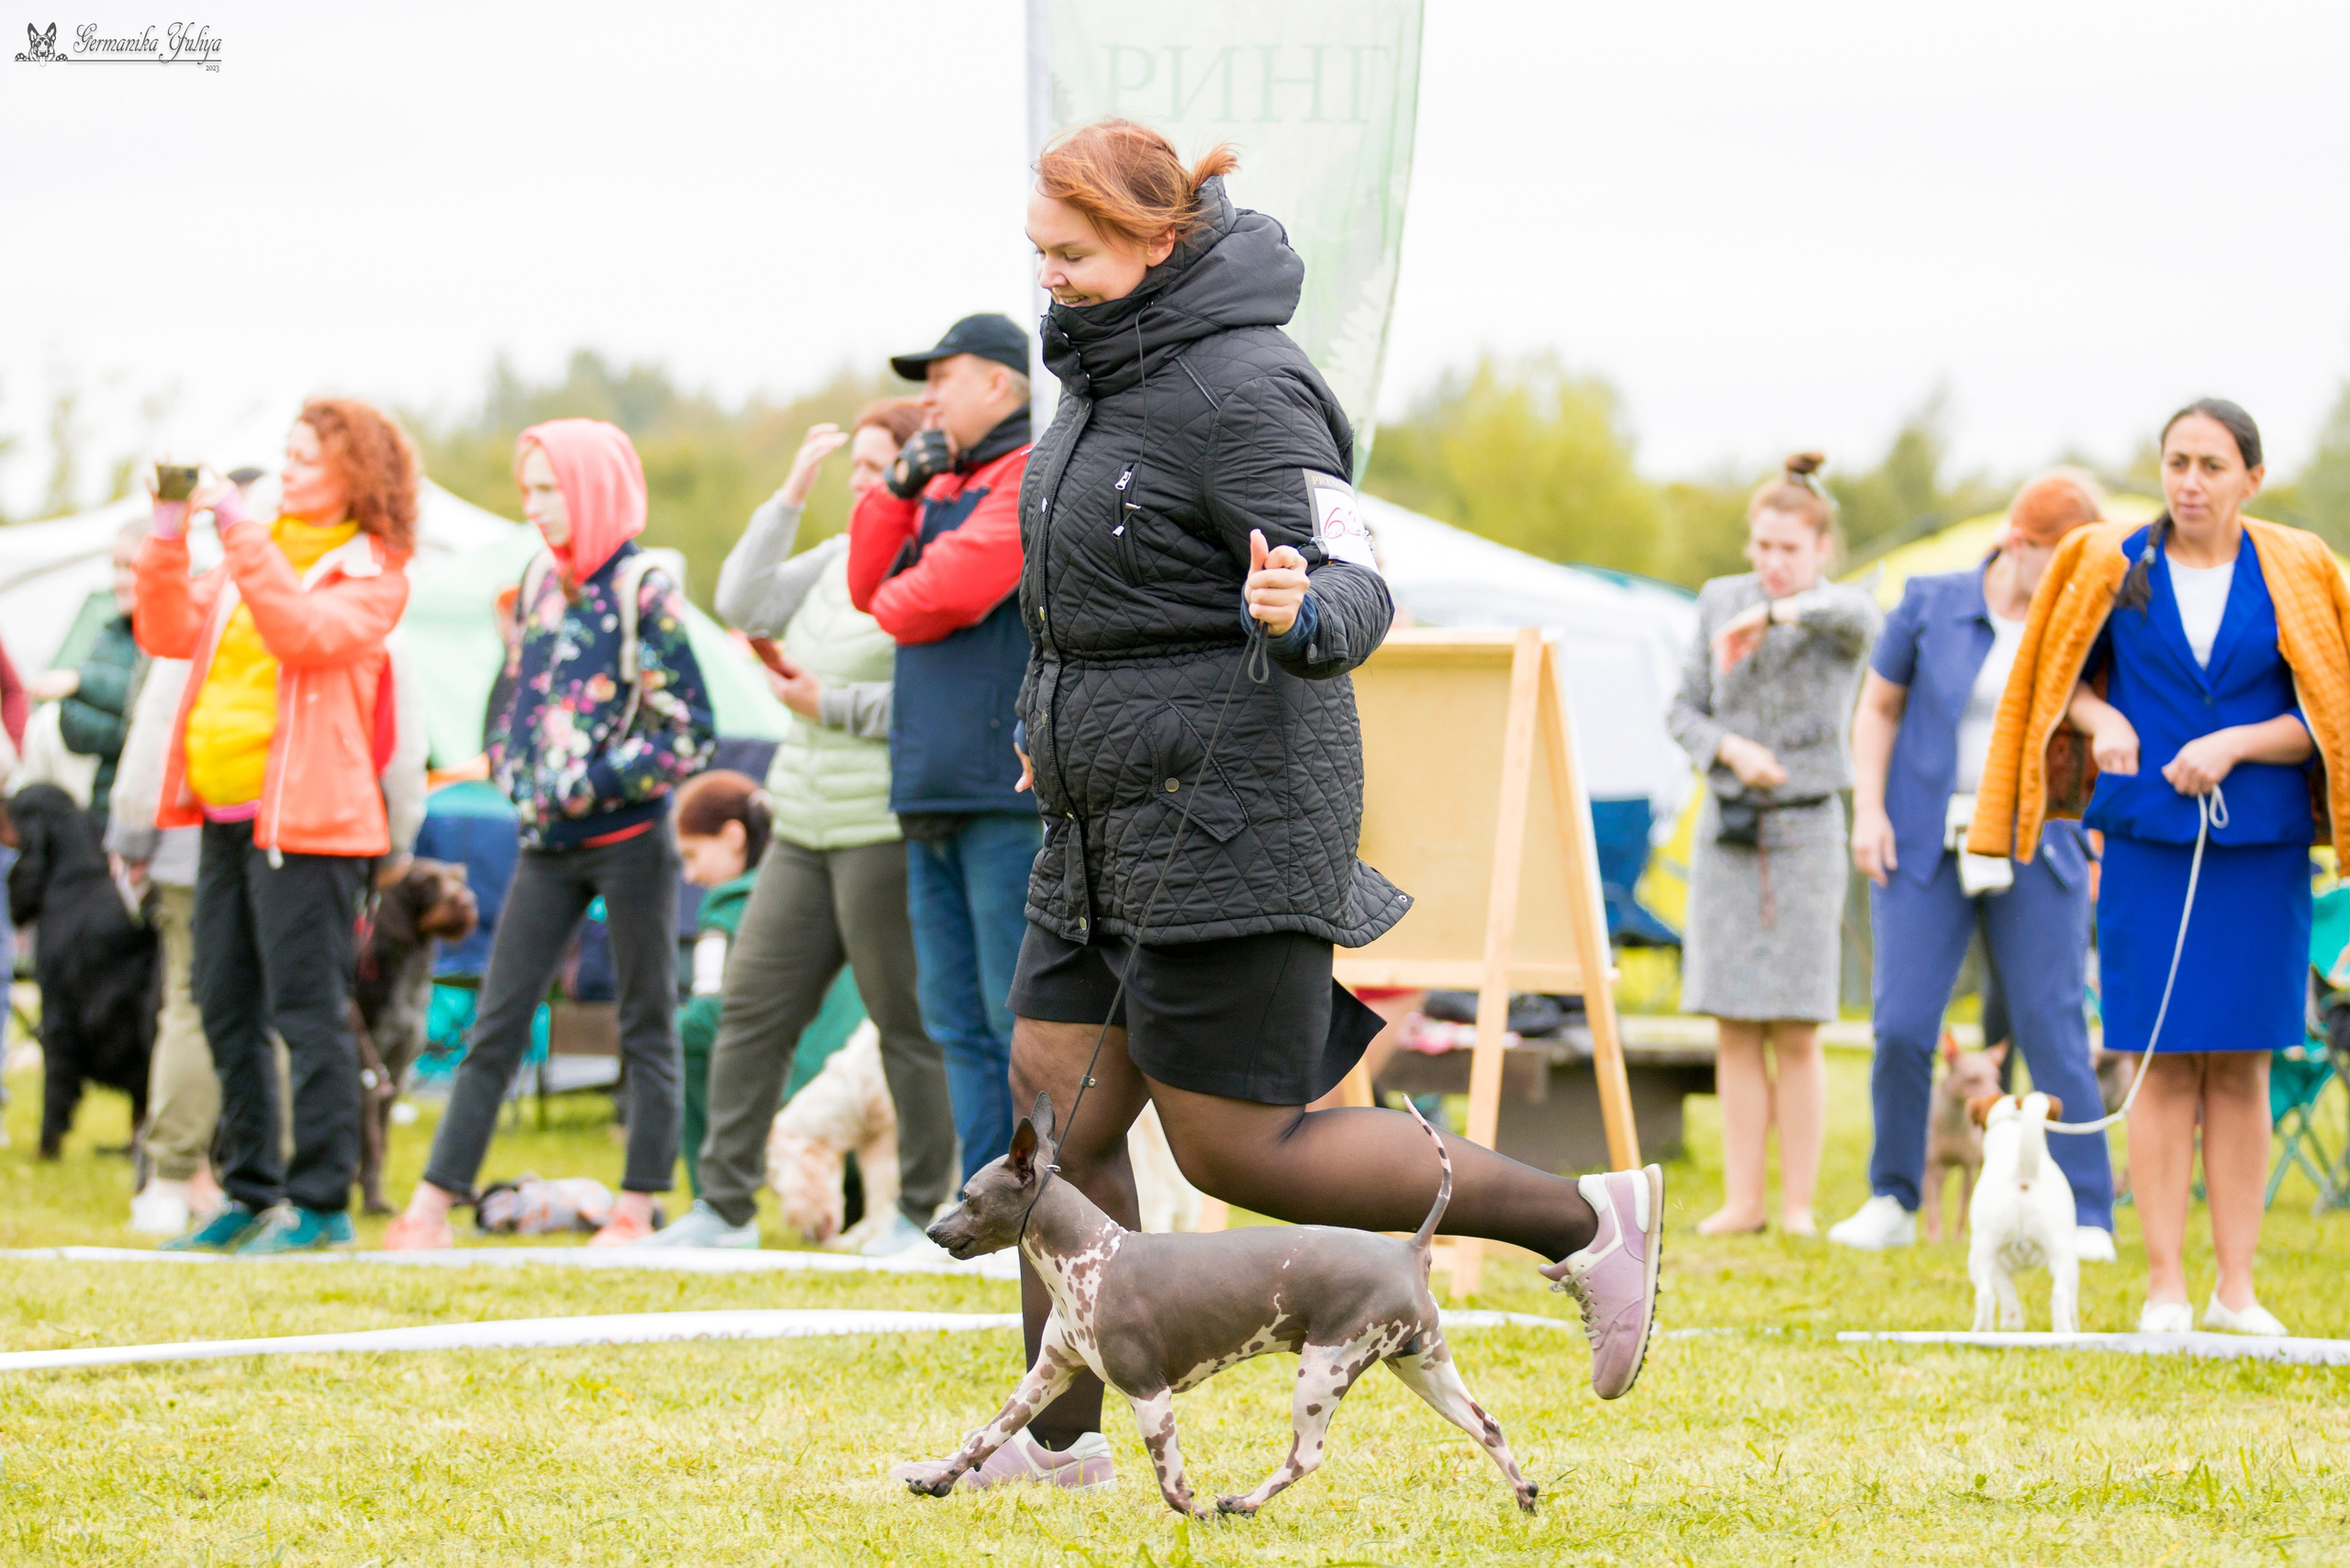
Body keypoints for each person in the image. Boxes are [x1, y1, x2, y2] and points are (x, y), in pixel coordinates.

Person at [889, 119, 1663, 1494]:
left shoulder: (1252, 387)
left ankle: (1583, 1216)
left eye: (1070, 254)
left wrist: (1301, 608)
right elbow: (1090, 612)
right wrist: (1043, 727)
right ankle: (1061, 1451)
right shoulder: (1099, 386)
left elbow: (1354, 583)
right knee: (1053, 1122)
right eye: (1040, 254)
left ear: (1155, 240)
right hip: (1097, 812)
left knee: (1238, 1147)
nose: (1048, 278)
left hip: (1233, 806)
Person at [1970, 399, 2350, 1337]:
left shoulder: (2299, 565)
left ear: (2250, 479)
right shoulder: (2108, 561)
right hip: (2144, 842)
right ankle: (2164, 1289)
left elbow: (2330, 707)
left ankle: (2236, 1290)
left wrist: (2238, 743)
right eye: (2176, 461)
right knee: (2156, 1061)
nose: (2189, 481)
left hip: (2257, 849)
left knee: (2242, 1066)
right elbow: (2058, 681)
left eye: (2211, 465)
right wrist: (2103, 725)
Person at [388, 419, 715, 1249]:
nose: (533, 506)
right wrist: (506, 756)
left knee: (645, 1018)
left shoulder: (646, 587)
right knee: (497, 1018)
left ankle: (638, 1206)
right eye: (528, 489)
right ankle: (433, 1202)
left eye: (548, 490)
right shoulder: (537, 578)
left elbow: (688, 729)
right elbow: (520, 690)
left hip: (631, 839)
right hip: (544, 842)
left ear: (594, 489)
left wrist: (587, 783)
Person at [643, 398, 957, 1254]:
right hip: (802, 822)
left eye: (875, 467)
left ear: (920, 470)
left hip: (881, 827)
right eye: (852, 468)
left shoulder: (937, 566)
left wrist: (832, 704)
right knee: (749, 1010)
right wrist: (788, 495)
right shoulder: (834, 558)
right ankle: (722, 1210)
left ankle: (920, 1212)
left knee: (906, 1024)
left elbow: (945, 702)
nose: (861, 482)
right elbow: (743, 603)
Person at [137, 399, 424, 1254]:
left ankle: (323, 1204)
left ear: (356, 477)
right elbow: (165, 629)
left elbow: (301, 635)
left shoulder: (373, 571)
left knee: (308, 1012)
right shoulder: (246, 554)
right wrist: (165, 527)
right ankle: (251, 1190)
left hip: (312, 825)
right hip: (225, 817)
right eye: (286, 454)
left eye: (308, 458)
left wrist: (235, 527)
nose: (288, 470)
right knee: (223, 1002)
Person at [1830, 473, 2117, 1254]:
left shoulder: (2077, 621)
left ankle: (2087, 1209)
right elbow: (1879, 707)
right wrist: (1870, 809)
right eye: (2056, 559)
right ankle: (1892, 1196)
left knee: (2053, 1024)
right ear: (2017, 543)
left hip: (2035, 844)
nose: (2067, 579)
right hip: (1925, 838)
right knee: (1902, 1024)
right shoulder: (1929, 601)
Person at [1668, 454, 1881, 1238]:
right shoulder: (1718, 601)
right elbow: (1683, 709)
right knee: (1733, 1021)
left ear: (1822, 548)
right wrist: (1729, 750)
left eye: (1789, 549)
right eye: (1762, 546)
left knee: (1795, 1023)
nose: (1771, 562)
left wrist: (1777, 615)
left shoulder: (1840, 613)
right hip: (1728, 830)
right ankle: (1744, 1201)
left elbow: (1863, 622)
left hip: (1806, 829)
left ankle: (1795, 1207)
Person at [845, 317, 1037, 1188]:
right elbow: (866, 586)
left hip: (1005, 791)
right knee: (952, 1015)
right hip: (929, 783)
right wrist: (892, 488)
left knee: (1013, 1017)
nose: (927, 398)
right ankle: (980, 1198)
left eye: (944, 378)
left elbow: (936, 597)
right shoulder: (936, 480)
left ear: (999, 384)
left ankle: (1041, 1204)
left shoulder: (1029, 473)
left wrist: (897, 588)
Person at [108, 653, 222, 1234]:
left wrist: (129, 835)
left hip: (189, 837)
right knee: (275, 1011)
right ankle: (265, 1178)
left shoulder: (200, 610)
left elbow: (156, 731)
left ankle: (173, 1178)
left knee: (190, 1003)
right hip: (289, 844)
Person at [666, 768, 769, 1202]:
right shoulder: (814, 887)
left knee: (682, 1033)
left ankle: (708, 1198)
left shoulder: (726, 907)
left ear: (732, 836)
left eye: (692, 854)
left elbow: (707, 1015)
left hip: (783, 1096)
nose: (689, 875)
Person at [28, 519, 148, 822]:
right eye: (115, 567)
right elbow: (73, 729)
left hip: (151, 813)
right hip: (104, 807)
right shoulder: (109, 634)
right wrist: (123, 724)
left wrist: (81, 683)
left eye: (130, 567)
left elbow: (154, 715)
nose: (119, 580)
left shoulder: (174, 640)